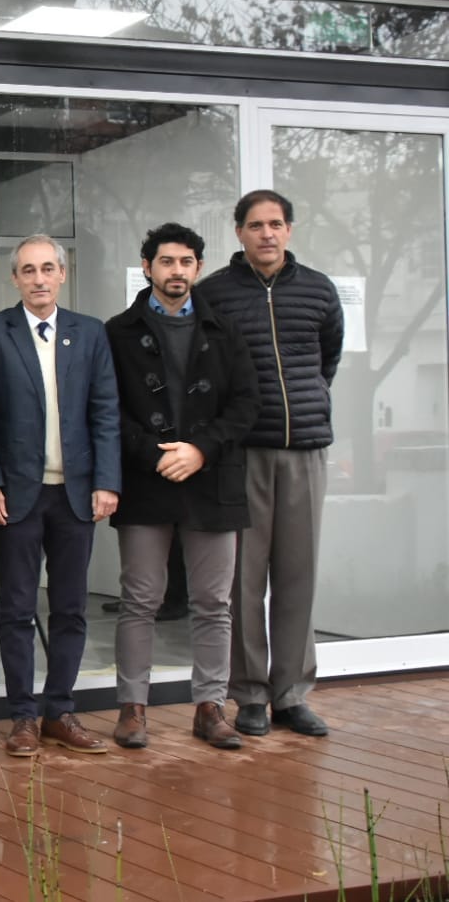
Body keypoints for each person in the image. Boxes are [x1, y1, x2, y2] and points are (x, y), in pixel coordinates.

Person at [105, 223, 259, 751]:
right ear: (147, 266)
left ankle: (210, 707)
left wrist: (200, 450)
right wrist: (154, 454)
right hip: (146, 481)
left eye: (187, 261)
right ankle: (132, 707)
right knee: (140, 598)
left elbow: (246, 405)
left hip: (212, 480)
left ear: (197, 267)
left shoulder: (225, 330)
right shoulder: (117, 333)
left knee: (215, 602)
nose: (177, 271)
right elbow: (108, 411)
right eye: (166, 261)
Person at [0, 233, 120, 757]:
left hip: (76, 494)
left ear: (62, 274)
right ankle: (23, 717)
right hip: (18, 493)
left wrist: (106, 481)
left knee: (72, 608)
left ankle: (60, 711)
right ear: (14, 279)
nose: (38, 279)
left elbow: (105, 412)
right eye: (28, 270)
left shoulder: (90, 333)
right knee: (15, 607)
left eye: (47, 269)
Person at [197, 190, 343, 738]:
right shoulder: (215, 295)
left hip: (304, 448)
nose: (266, 234)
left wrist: (307, 405)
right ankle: (250, 694)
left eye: (276, 224)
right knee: (243, 578)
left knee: (297, 575)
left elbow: (326, 359)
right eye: (255, 225)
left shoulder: (319, 290)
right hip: (244, 452)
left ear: (290, 229)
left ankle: (291, 695)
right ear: (238, 232)